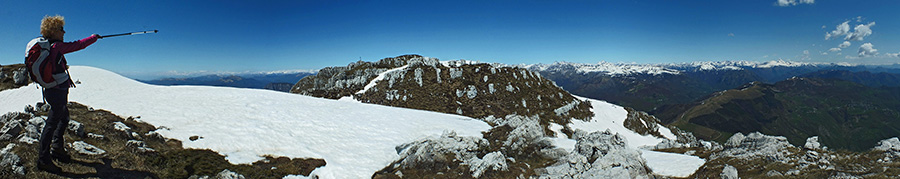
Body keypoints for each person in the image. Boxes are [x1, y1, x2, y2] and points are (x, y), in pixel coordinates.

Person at [33, 15, 100, 173]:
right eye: (61, 29)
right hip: (57, 91)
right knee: (52, 124)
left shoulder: (48, 47)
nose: (64, 32)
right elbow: (78, 45)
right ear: (54, 31)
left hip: (51, 90)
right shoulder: (56, 47)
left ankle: (57, 149)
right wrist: (93, 37)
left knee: (64, 118)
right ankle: (44, 159)